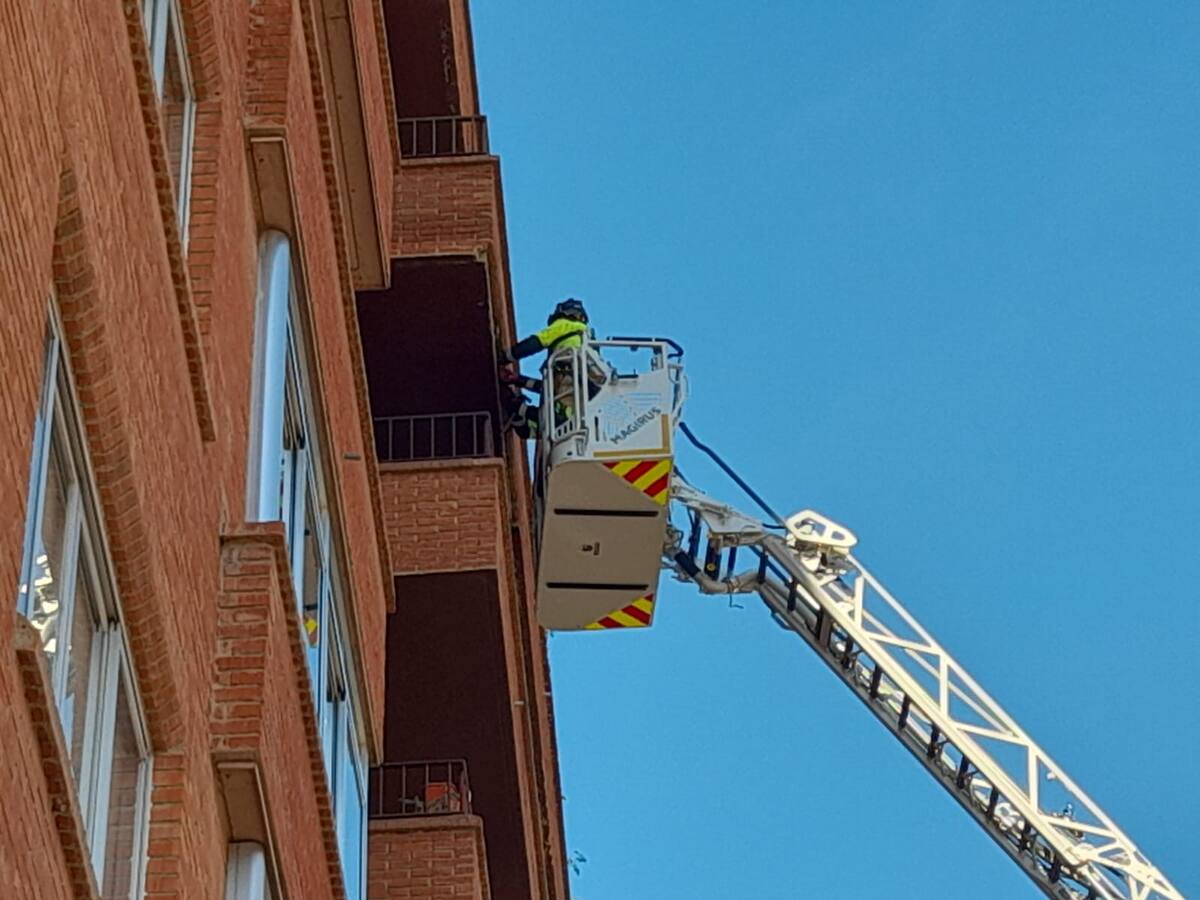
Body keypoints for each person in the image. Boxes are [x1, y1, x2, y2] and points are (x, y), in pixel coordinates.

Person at [498, 298, 591, 438]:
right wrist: (518, 380)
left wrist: (504, 357)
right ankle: (518, 411)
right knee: (553, 422)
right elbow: (547, 388)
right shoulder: (587, 342)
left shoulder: (567, 325)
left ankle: (517, 409)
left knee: (554, 421)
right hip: (580, 391)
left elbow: (535, 343)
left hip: (571, 383)